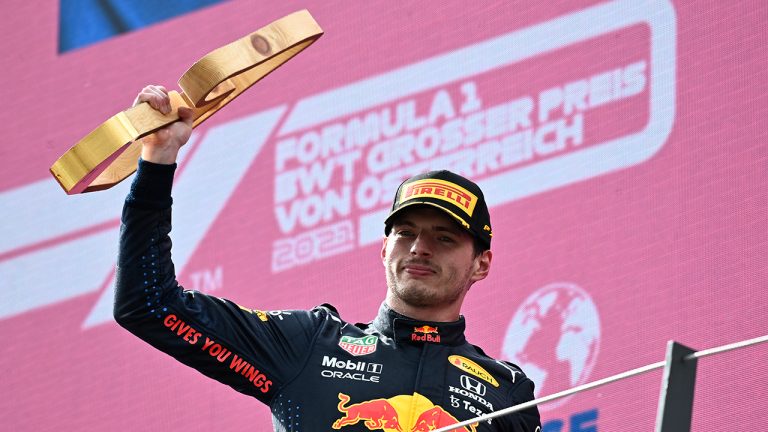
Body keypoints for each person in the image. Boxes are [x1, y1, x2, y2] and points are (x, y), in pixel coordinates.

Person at [114, 85, 542, 431]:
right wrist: (158, 159)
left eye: (444, 238)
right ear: (383, 247)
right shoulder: (310, 344)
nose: (419, 248)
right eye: (406, 233)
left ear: (481, 264)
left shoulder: (507, 392)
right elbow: (148, 305)